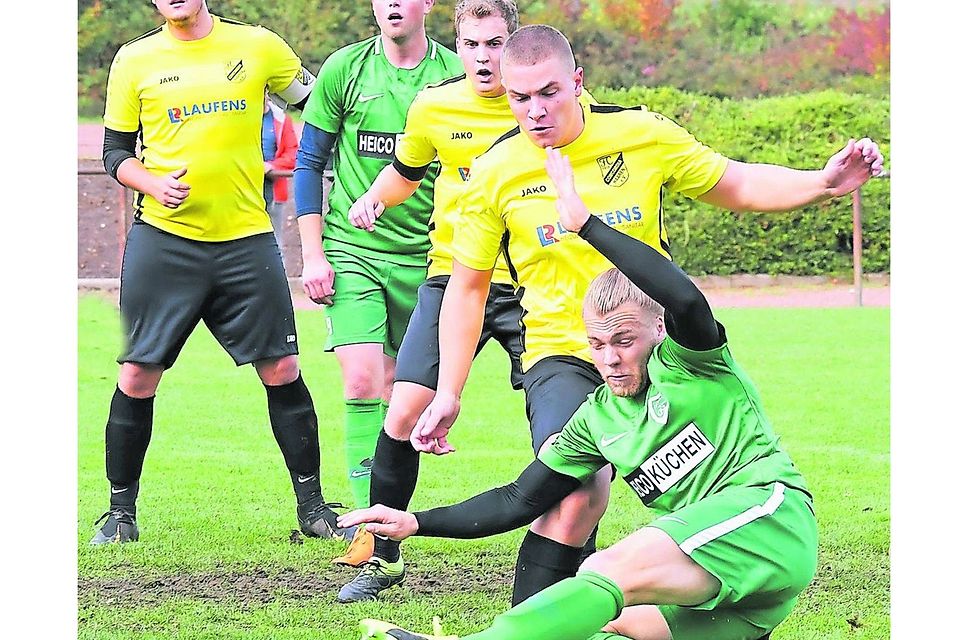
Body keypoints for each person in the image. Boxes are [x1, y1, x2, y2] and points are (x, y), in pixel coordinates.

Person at [401, 23, 884, 606]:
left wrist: (824, 183)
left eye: (548, 92)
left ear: (577, 82)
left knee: (699, 487)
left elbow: (734, 181)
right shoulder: (494, 171)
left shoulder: (641, 133)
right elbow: (468, 288)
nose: (534, 110)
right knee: (576, 492)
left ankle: (709, 590)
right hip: (563, 352)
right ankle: (532, 623)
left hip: (660, 350)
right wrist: (449, 390)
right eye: (519, 97)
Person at [343, 152, 820, 638]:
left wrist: (586, 224)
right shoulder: (597, 421)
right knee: (601, 627)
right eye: (598, 344)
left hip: (768, 521)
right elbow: (519, 499)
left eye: (624, 340)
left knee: (607, 570)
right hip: (733, 590)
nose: (610, 358)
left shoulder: (692, 362)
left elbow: (686, 299)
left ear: (659, 329)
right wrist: (415, 522)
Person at [335, 0, 605, 604]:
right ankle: (382, 557)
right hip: (454, 277)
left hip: (534, 288)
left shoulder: (548, 108)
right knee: (403, 411)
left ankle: (574, 563)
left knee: (563, 442)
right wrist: (377, 198)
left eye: (494, 44)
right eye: (471, 44)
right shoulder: (433, 105)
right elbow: (405, 172)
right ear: (455, 46)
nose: (482, 57)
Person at [92, 0, 355, 545]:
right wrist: (152, 183)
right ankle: (119, 515)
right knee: (138, 375)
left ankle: (313, 507)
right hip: (164, 243)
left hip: (245, 242)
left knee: (282, 368)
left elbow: (319, 103)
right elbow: (114, 152)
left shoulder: (258, 46)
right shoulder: (133, 59)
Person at [294, 0, 462, 510]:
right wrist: (313, 255)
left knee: (401, 393)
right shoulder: (345, 69)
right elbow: (308, 163)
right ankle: (369, 527)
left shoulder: (455, 75)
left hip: (429, 259)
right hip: (353, 250)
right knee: (363, 378)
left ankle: (388, 517)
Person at [262, 93, 299, 249]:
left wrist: (272, 166)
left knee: (274, 244)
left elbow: (293, 154)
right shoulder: (237, 120)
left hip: (274, 191)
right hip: (241, 193)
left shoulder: (281, 119)